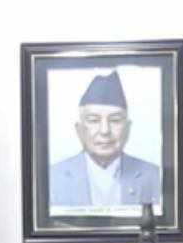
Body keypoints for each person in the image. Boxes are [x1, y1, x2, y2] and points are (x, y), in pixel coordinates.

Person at [48, 70, 162, 210]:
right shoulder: (53, 178)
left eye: (115, 120)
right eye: (93, 120)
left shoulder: (154, 176)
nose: (105, 130)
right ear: (79, 129)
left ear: (128, 129)